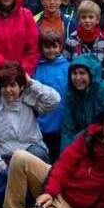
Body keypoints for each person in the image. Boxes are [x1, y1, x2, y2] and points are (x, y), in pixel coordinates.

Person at [0, 62, 60, 201]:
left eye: (12, 85)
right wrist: (0, 167)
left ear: (21, 86)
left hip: (30, 154)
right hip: (4, 159)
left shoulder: (29, 100)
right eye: (4, 86)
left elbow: (54, 101)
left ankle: (33, 199)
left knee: (38, 154)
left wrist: (31, 83)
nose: (8, 90)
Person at [61, 53, 104, 148]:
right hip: (81, 143)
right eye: (74, 73)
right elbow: (67, 130)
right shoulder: (71, 94)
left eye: (82, 73)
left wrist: (85, 135)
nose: (77, 78)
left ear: (92, 74)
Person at [33, 29, 70, 161]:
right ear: (41, 47)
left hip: (60, 120)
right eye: (47, 47)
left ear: (60, 47)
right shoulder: (37, 67)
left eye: (54, 46)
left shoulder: (67, 66)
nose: (51, 50)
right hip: (41, 121)